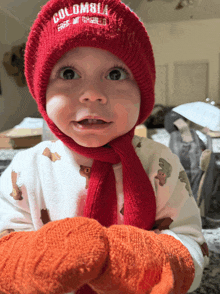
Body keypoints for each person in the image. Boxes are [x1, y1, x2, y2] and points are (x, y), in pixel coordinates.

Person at [0, 0, 209, 293]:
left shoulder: (160, 162)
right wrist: (37, 259)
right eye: (69, 74)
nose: (92, 94)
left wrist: (135, 261)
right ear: (42, 91)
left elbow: (192, 246)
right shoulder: (25, 170)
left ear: (143, 91)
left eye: (115, 74)